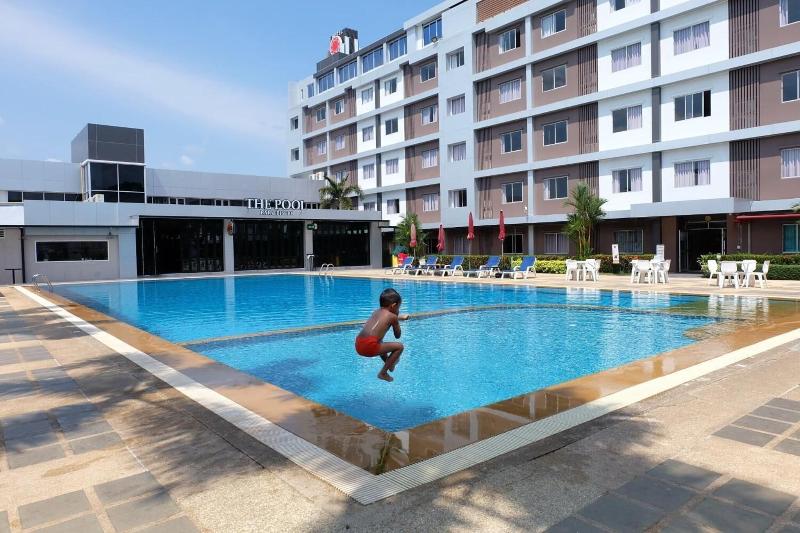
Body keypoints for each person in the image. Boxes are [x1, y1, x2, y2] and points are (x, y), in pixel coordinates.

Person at [355, 288, 410, 382]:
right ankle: (383, 373)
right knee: (399, 347)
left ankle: (390, 365)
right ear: (393, 305)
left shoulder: (376, 312)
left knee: (380, 341)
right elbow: (397, 336)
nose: (398, 310)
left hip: (358, 344)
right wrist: (396, 319)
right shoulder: (393, 317)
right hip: (368, 347)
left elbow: (385, 317)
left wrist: (397, 317)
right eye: (398, 307)